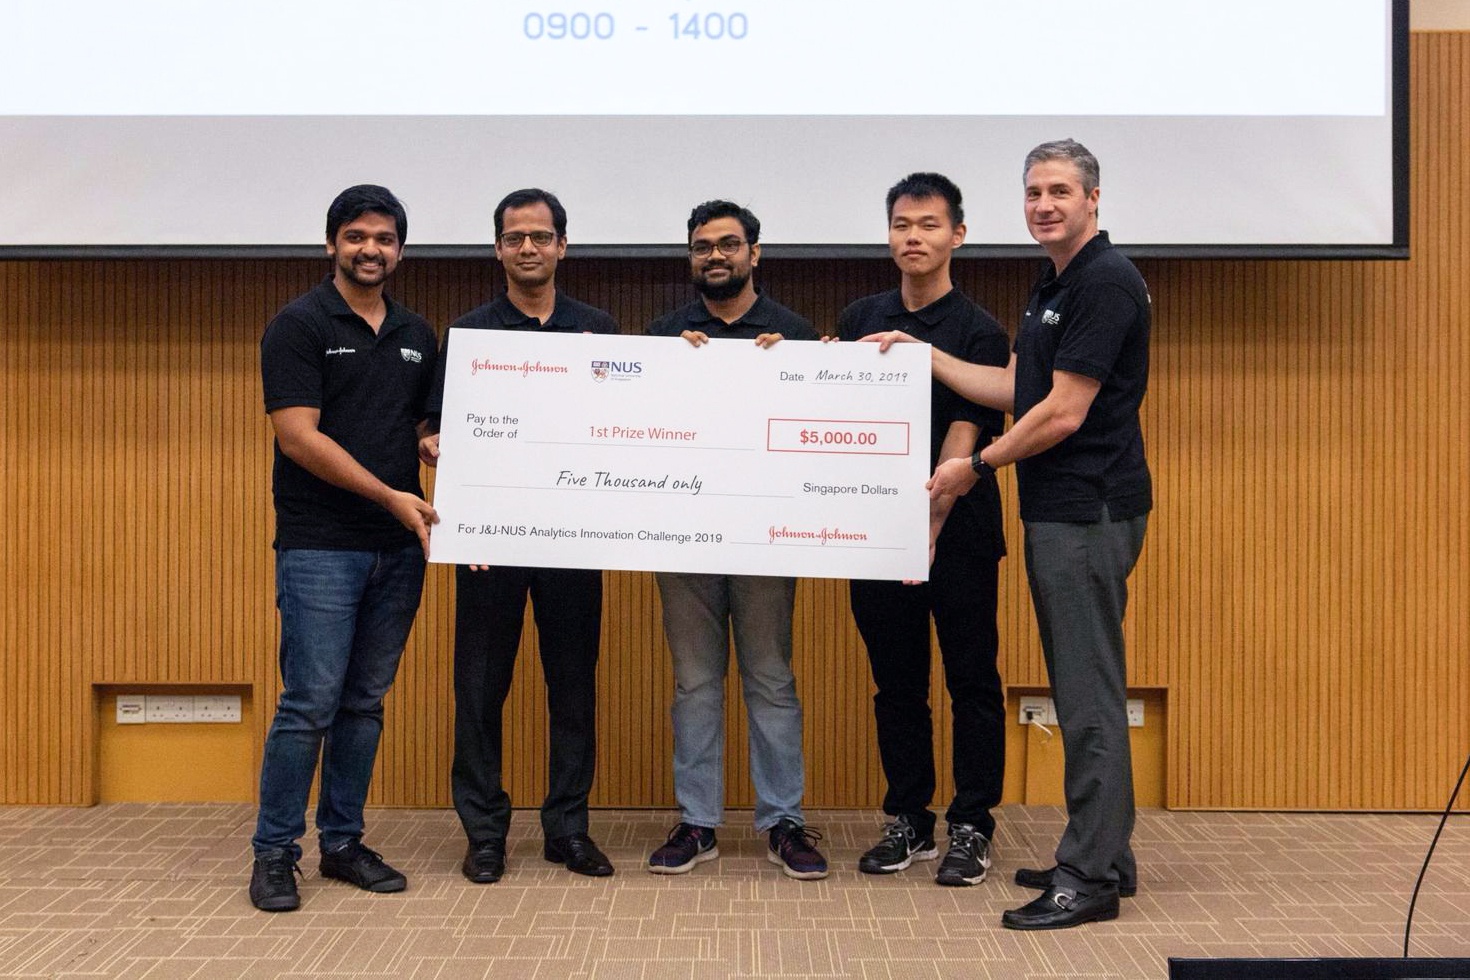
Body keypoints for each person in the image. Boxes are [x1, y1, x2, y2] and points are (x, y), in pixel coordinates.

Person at [876, 140, 1152, 929]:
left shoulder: (1103, 283)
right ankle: (1107, 852)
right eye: (1033, 191)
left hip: (1085, 510)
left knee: (1087, 690)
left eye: (1060, 190)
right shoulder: (1056, 283)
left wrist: (978, 465)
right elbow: (1016, 386)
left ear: (1093, 199)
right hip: (1062, 510)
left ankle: (1090, 876)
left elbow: (1062, 412)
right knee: (1083, 683)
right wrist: (927, 356)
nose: (1043, 204)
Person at [251, 184, 439, 912]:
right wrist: (391, 496)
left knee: (364, 703)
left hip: (398, 551)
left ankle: (341, 843)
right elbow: (299, 436)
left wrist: (429, 447)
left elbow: (420, 427)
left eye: (385, 238)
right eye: (356, 236)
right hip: (321, 548)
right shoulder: (297, 325)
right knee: (310, 703)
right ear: (331, 243)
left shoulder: (418, 331)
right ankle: (273, 854)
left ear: (400, 249)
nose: (371, 250)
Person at [420, 188, 616, 883]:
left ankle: (568, 828)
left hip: (574, 539)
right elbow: (432, 424)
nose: (528, 247)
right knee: (479, 689)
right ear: (498, 248)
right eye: (515, 237)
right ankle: (485, 833)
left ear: (563, 245)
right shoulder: (469, 336)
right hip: (488, 543)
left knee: (573, 688)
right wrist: (435, 444)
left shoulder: (600, 331)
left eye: (541, 236)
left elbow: (625, 428)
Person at [643, 200, 828, 880]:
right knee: (695, 684)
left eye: (727, 244)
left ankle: (783, 821)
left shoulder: (792, 333)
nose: (714, 256)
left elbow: (821, 429)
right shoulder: (662, 336)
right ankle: (698, 823)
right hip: (683, 540)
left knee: (771, 680)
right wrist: (666, 369)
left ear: (755, 253)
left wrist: (804, 370)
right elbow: (633, 429)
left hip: (764, 541)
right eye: (701, 247)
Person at [837, 173, 1010, 887]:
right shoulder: (858, 317)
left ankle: (972, 825)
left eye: (930, 224)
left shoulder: (982, 330)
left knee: (971, 680)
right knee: (896, 683)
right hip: (875, 530)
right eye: (902, 224)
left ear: (957, 236)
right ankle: (908, 819)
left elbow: (972, 428)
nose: (914, 236)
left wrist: (930, 520)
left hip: (959, 530)